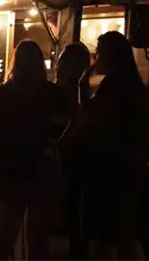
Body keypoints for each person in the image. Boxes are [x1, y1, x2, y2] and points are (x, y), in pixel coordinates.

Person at [59, 31, 148, 260]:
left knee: (105, 236)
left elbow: (89, 116)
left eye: (98, 53)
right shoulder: (133, 85)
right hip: (127, 168)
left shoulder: (115, 85)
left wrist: (81, 86)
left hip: (109, 170)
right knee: (124, 234)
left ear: (110, 55)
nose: (95, 58)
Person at [0, 40, 69, 260]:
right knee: (38, 236)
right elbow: (64, 127)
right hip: (42, 169)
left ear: (14, 62)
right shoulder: (52, 94)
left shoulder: (0, 94)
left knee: (6, 235)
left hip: (10, 170)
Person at [54, 42, 92, 258]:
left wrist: (60, 144)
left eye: (64, 59)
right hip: (71, 155)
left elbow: (77, 120)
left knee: (73, 211)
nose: (59, 62)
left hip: (70, 156)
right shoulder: (76, 88)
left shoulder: (72, 90)